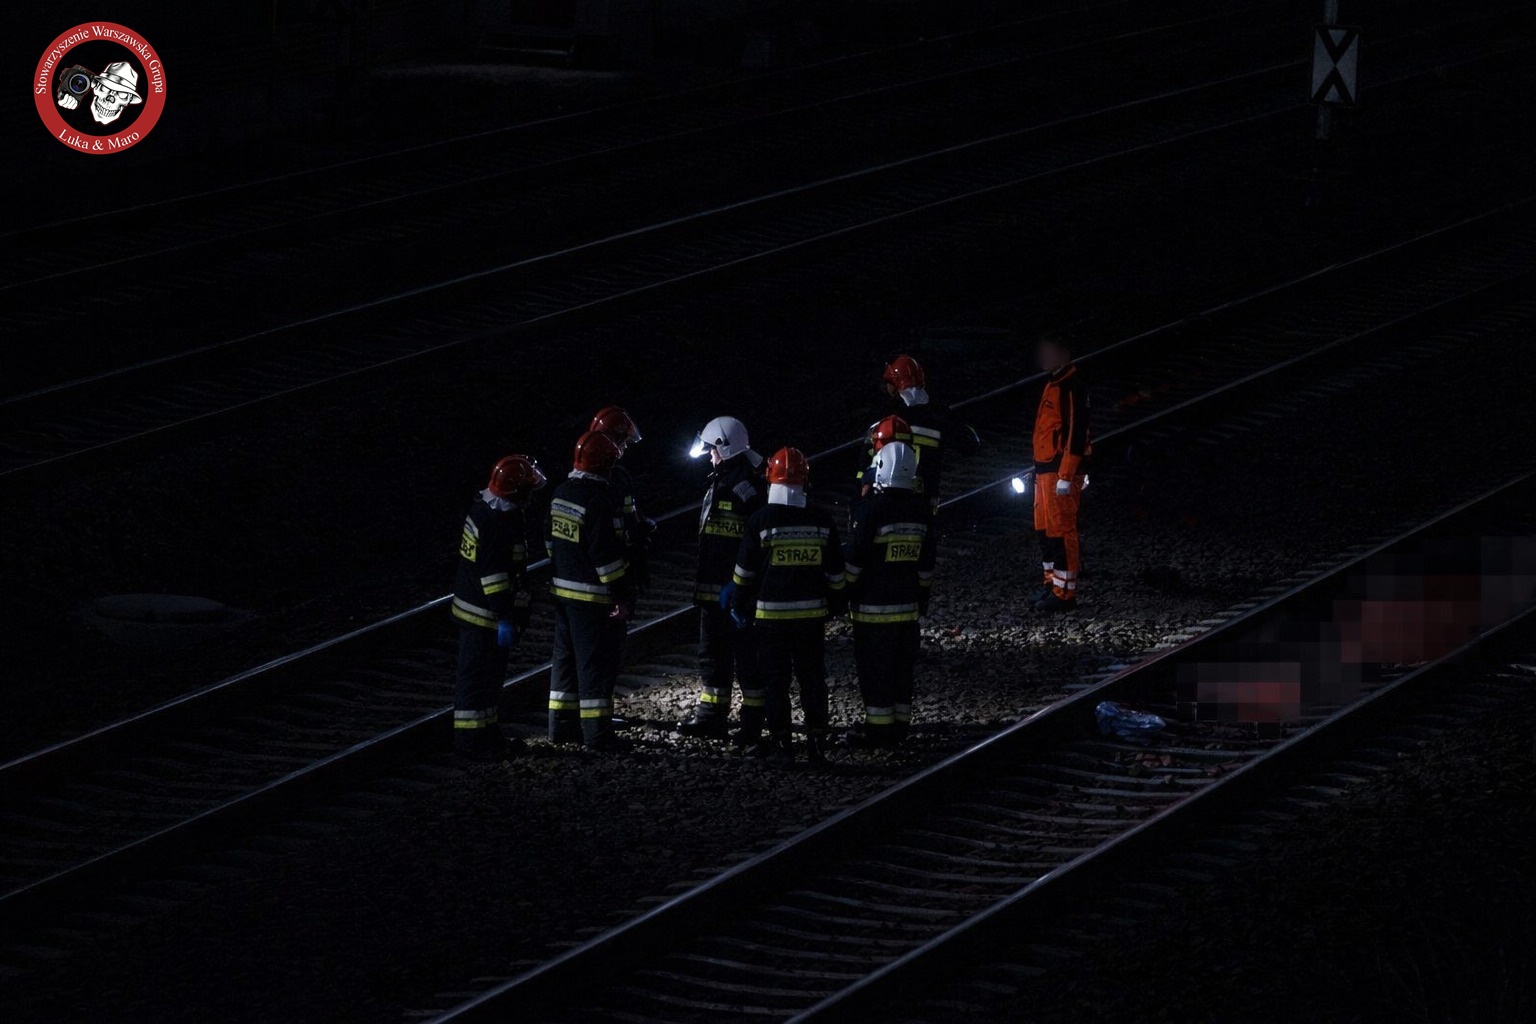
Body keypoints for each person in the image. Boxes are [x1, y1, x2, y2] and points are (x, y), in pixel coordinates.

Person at [731, 447, 846, 767]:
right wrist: (837, 602)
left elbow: (744, 575)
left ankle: (782, 743)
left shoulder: (760, 521)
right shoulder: (821, 520)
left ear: (770, 479)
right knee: (812, 679)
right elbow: (836, 573)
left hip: (771, 620)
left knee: (775, 682)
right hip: (810, 619)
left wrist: (740, 605)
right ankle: (817, 742)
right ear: (805, 480)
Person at [678, 416, 768, 745]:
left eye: (711, 449)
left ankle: (752, 724)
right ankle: (712, 716)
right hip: (716, 591)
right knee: (712, 655)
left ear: (724, 448)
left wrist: (742, 586)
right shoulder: (723, 480)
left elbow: (757, 540)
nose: (709, 455)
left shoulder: (744, 487)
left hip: (736, 592)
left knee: (746, 659)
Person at [450, 455, 546, 762]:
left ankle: (488, 735)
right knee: (476, 683)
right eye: (528, 489)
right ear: (515, 492)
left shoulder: (495, 513)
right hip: (483, 616)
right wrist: (505, 617)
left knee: (489, 681)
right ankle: (470, 745)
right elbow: (494, 580)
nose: (532, 495)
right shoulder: (493, 523)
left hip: (486, 613)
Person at [546, 431, 635, 752]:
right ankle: (598, 735)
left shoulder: (560, 493)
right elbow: (606, 559)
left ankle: (560, 728)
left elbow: (550, 544)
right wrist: (620, 596)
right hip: (591, 599)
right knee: (593, 666)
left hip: (562, 595)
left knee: (565, 662)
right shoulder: (598, 501)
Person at [842, 441, 934, 748]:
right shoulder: (921, 512)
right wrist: (921, 600)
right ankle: (900, 727)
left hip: (872, 611)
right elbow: (926, 566)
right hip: (907, 610)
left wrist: (842, 593)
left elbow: (854, 561)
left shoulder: (870, 511)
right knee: (901, 670)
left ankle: (879, 732)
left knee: (875, 670)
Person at [1031, 334, 1092, 612]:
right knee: (1045, 530)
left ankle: (1065, 594)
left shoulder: (1071, 385)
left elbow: (1076, 433)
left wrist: (1067, 475)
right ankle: (1052, 585)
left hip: (1058, 472)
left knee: (1061, 530)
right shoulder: (1054, 383)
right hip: (1046, 471)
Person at [878, 354, 980, 512]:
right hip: (927, 497)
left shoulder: (889, 413)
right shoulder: (939, 414)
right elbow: (969, 445)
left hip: (890, 494)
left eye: (889, 382)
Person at [588, 406, 656, 592]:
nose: (626, 446)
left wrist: (640, 525)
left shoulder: (620, 475)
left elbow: (628, 514)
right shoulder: (597, 479)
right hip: (606, 567)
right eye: (624, 440)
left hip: (623, 558)